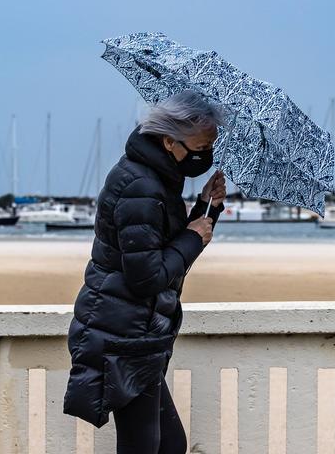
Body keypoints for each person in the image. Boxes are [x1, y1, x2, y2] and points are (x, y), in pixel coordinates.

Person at [63, 90, 227, 453]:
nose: (206, 157)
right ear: (169, 141)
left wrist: (207, 209)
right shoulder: (141, 185)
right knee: (147, 446)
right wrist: (193, 237)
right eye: (200, 147)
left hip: (136, 330)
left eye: (211, 147)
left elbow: (162, 251)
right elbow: (147, 277)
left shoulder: (155, 178)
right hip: (121, 333)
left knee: (168, 444)